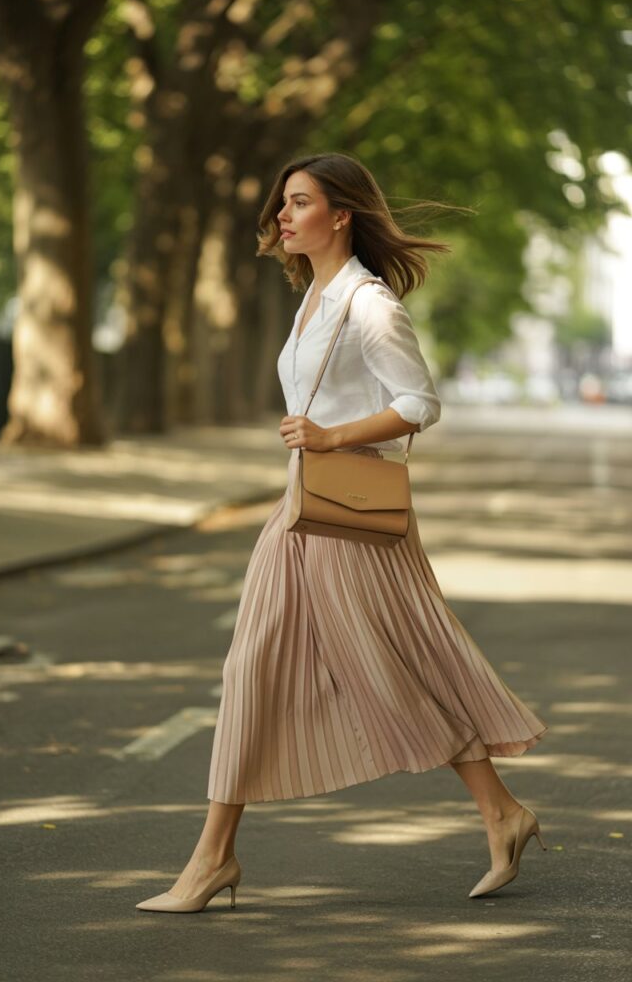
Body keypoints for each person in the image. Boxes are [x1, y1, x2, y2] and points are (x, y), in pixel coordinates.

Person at [136, 152, 549, 914]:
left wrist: (330, 437)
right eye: (282, 203)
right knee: (257, 668)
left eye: (299, 202)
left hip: (349, 516)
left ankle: (499, 812)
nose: (283, 215)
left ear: (342, 214)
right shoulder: (315, 299)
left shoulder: (368, 304)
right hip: (303, 510)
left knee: (390, 669)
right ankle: (215, 857)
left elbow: (419, 403)